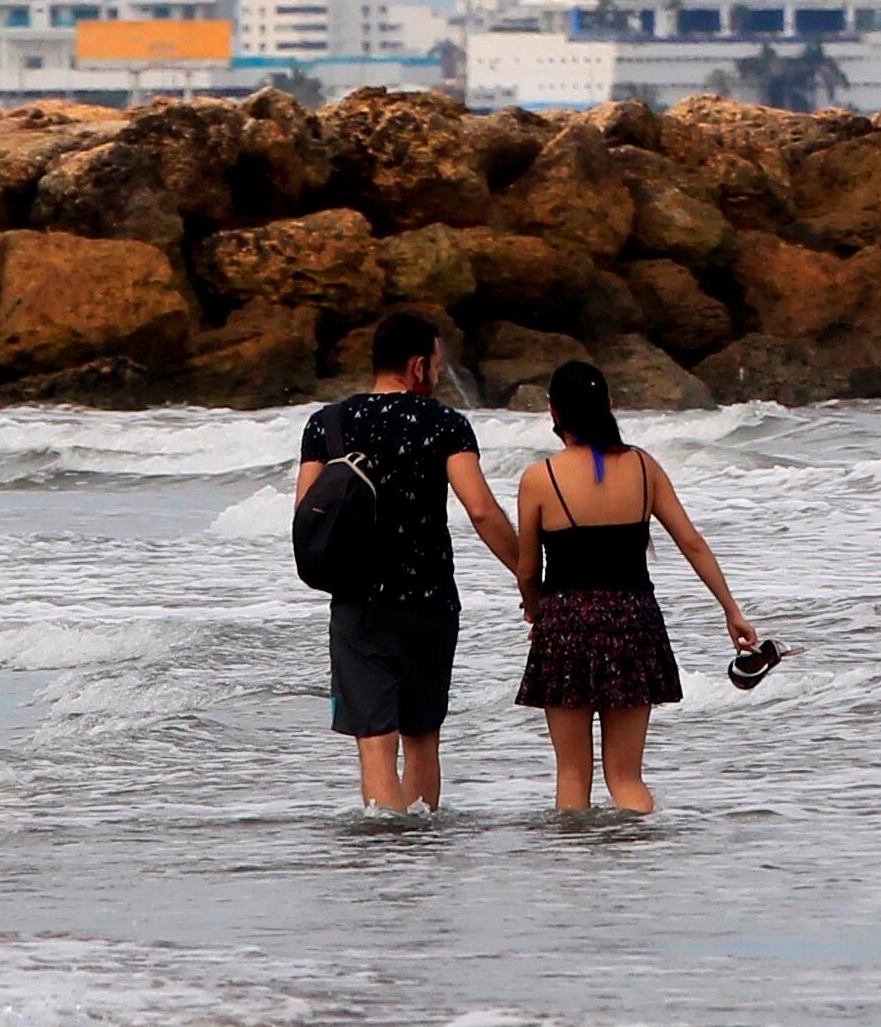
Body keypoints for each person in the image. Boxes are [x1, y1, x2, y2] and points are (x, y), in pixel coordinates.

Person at [295, 310, 525, 812]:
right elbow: (482, 510)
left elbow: (305, 514)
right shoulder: (445, 424)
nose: (439, 375)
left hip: (357, 603)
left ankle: (386, 852)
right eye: (437, 365)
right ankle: (419, 854)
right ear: (418, 365)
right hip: (429, 603)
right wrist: (529, 577)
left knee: (376, 744)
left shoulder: (327, 424)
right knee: (422, 737)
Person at [511, 357, 761, 813]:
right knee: (626, 776)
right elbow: (692, 543)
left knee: (571, 773)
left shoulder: (539, 479)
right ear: (609, 404)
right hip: (633, 619)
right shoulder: (644, 468)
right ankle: (641, 873)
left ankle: (575, 873)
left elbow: (528, 569)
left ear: (553, 412)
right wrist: (731, 610)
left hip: (566, 622)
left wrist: (536, 611)